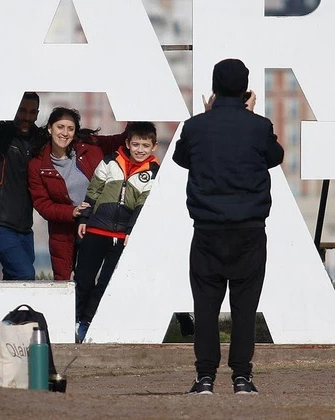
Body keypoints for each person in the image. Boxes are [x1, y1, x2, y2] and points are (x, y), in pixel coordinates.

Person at [172, 58, 284, 395]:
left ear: (215, 89)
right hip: (249, 230)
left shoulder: (196, 126)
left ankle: (205, 377)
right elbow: (275, 156)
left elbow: (181, 158)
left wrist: (209, 114)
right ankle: (242, 378)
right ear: (246, 90)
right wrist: (248, 116)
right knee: (244, 306)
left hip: (207, 230)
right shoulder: (258, 126)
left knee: (206, 307)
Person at [74, 122, 160, 342]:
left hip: (122, 237)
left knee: (106, 283)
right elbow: (94, 189)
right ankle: (74, 320)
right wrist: (85, 217)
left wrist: (132, 229)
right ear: (128, 144)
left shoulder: (153, 172)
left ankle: (88, 322)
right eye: (136, 144)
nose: (140, 149)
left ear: (154, 147)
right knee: (84, 277)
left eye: (145, 145)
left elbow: (143, 204)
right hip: (96, 229)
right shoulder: (110, 161)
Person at [27, 107, 123, 281]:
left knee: (93, 279)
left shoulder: (90, 148)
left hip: (97, 224)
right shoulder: (37, 164)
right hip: (63, 233)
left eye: (70, 129)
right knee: (63, 282)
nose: (65, 133)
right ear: (50, 128)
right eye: (60, 127)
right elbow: (42, 204)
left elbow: (123, 140)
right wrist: (72, 211)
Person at [0, 92, 42, 280]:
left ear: (37, 114)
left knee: (14, 282)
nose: (27, 117)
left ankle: (8, 311)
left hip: (24, 227)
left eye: (32, 112)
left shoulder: (39, 139)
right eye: (22, 111)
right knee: (25, 274)